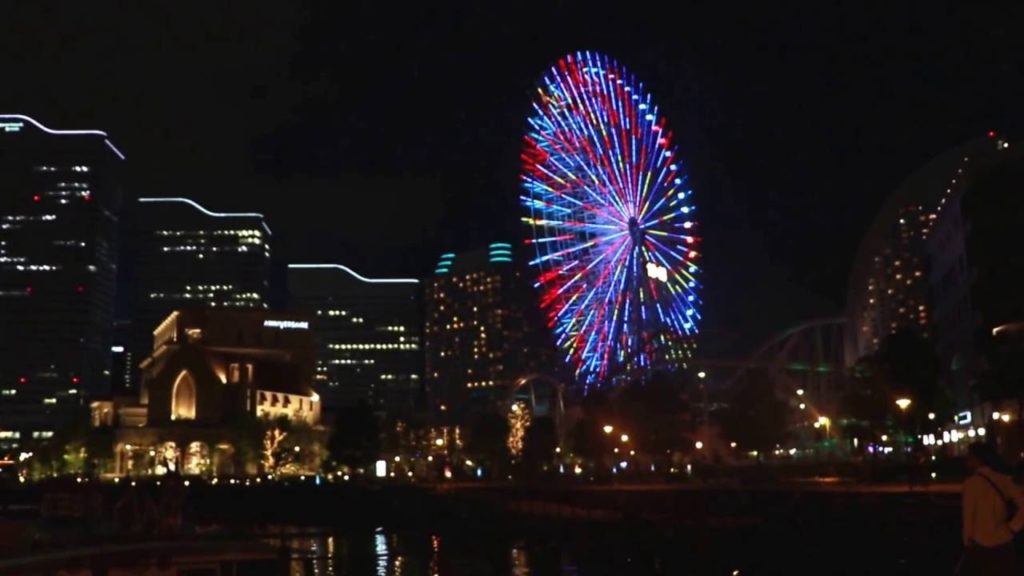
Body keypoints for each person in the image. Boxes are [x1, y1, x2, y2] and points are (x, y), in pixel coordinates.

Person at [962, 442, 1024, 575]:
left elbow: (969, 517)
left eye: (969, 457)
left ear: (977, 459)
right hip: (1004, 542)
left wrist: (967, 541)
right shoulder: (1004, 480)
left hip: (981, 546)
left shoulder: (971, 484)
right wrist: (1013, 527)